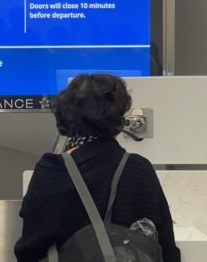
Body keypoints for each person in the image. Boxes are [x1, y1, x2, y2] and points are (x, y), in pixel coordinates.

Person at [15, 74, 180, 262]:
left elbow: (28, 253)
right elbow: (167, 251)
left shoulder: (51, 172)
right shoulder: (139, 170)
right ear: (118, 117)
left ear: (65, 116)